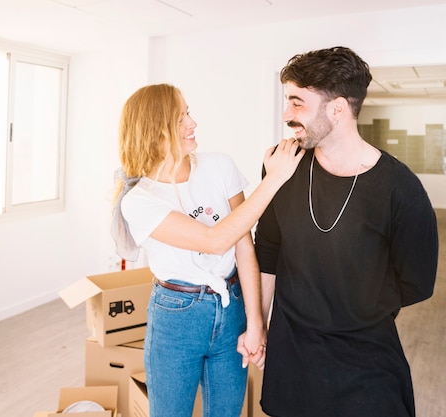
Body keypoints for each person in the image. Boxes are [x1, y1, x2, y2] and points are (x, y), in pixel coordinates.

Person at [254, 47, 439, 417]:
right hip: (292, 358)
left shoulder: (399, 188)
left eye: (297, 103)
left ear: (337, 109)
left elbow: (417, 282)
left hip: (365, 360)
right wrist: (258, 324)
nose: (286, 115)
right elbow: (269, 251)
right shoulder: (281, 167)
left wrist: (355, 307)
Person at [110, 83, 304, 417]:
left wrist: (256, 322)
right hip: (176, 318)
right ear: (155, 129)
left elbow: (243, 244)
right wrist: (273, 180)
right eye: (181, 116)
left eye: (189, 112)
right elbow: (215, 240)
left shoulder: (218, 166)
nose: (193, 122)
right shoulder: (139, 201)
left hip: (232, 308)